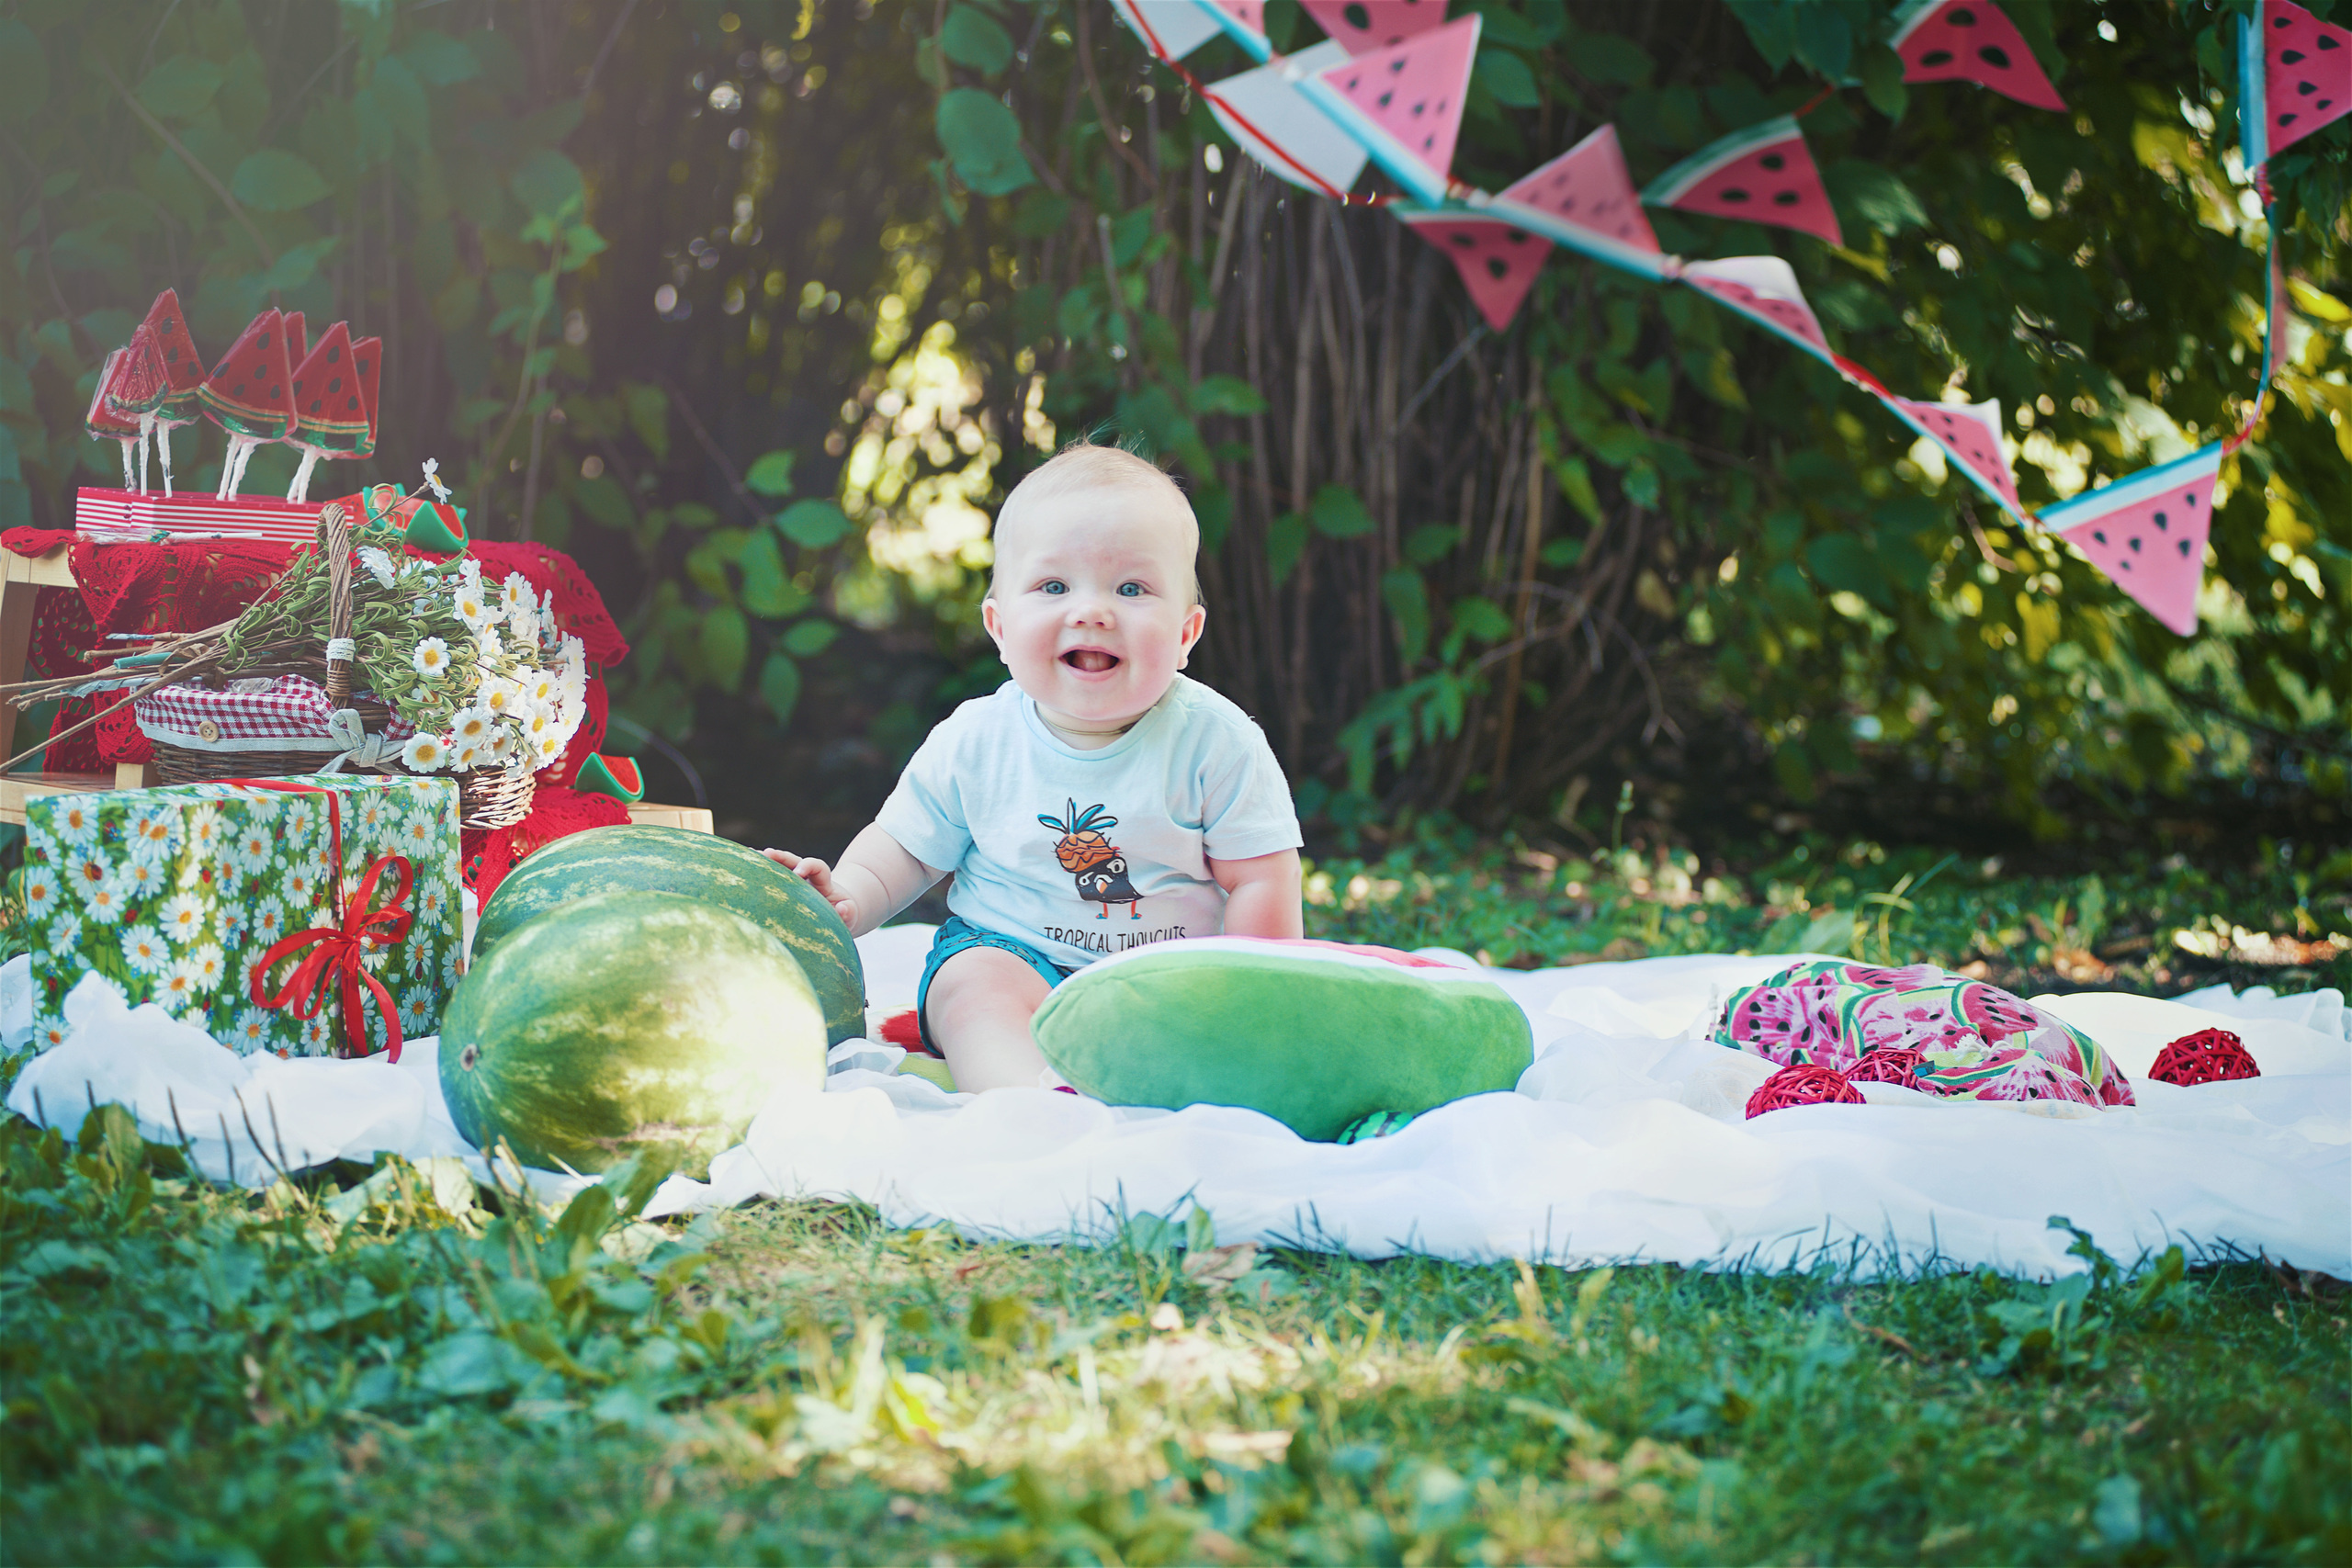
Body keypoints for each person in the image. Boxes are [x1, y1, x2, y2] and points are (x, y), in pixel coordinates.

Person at [764, 442, 1305, 1090]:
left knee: (1205, 1040)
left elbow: (1261, 879)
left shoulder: (1216, 742)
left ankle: (1159, 1074)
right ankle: (1029, 1098)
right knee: (970, 990)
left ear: (1186, 635)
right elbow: (905, 849)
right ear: (999, 627)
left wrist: (1255, 1001)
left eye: (1132, 588)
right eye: (1054, 586)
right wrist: (850, 897)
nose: (1092, 610)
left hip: (1167, 975)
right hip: (1012, 952)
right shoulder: (976, 740)